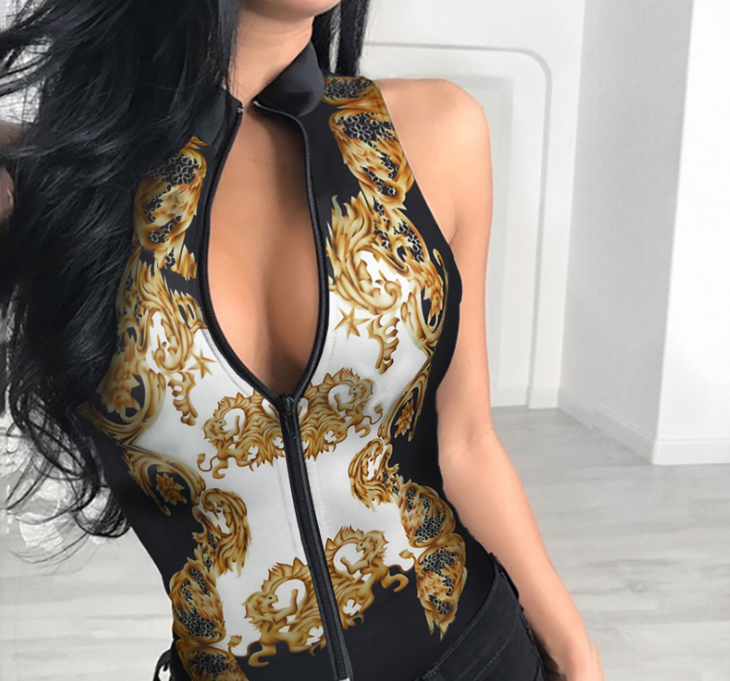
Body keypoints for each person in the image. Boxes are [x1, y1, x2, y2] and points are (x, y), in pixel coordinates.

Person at [0, 1, 606, 680]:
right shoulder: (51, 189)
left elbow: (466, 441)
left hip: (477, 656)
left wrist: (576, 653)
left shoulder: (435, 131)